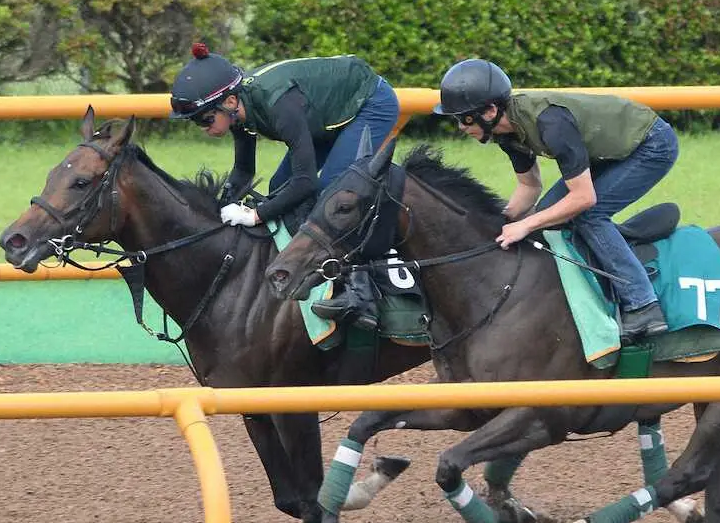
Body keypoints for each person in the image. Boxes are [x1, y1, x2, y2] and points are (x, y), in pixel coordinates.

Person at [432, 58, 678, 341]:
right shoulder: (506, 133)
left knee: (587, 215)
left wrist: (525, 226)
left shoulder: (551, 123)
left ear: (489, 111)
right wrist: (499, 224)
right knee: (549, 217)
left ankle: (643, 304)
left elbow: (584, 198)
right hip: (611, 152)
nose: (461, 127)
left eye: (464, 118)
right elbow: (529, 186)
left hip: (651, 145)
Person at [168, 42, 398, 330]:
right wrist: (219, 212)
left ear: (229, 102)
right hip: (324, 114)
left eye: (205, 120)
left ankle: (359, 291)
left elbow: (305, 182)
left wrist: (255, 215)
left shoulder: (278, 105)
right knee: (280, 185)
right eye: (195, 123)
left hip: (370, 103)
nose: (204, 129)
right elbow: (243, 171)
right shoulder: (240, 107)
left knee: (332, 192)